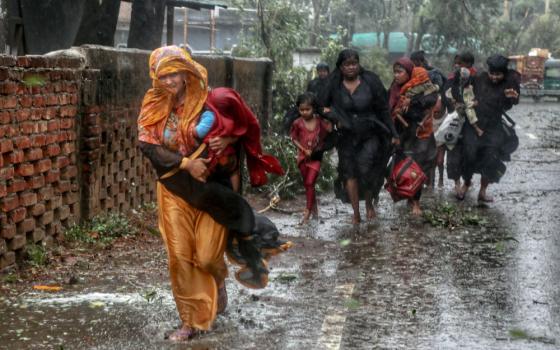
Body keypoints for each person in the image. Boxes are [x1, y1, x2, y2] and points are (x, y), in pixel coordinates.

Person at [137, 46, 290, 342]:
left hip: (211, 191)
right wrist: (185, 163)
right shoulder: (153, 104)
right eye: (163, 75)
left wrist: (229, 139)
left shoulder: (210, 103)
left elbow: (243, 129)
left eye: (174, 74)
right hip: (173, 188)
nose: (169, 81)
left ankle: (217, 281)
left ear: (187, 73)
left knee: (207, 258)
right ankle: (191, 321)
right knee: (180, 258)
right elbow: (147, 146)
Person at [321, 49, 399, 224]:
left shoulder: (371, 81)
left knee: (366, 170)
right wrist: (333, 117)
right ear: (340, 67)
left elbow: (383, 109)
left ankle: (369, 203)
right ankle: (356, 214)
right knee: (349, 173)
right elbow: (320, 105)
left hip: (370, 132)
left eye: (354, 64)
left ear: (358, 64)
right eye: (346, 65)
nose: (350, 67)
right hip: (346, 136)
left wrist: (393, 133)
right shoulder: (333, 84)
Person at [458, 54, 520, 202]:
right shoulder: (479, 78)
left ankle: (483, 191)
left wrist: (510, 97)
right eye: (492, 73)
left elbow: (511, 104)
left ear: (504, 73)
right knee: (469, 154)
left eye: (498, 75)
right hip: (474, 124)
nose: (494, 77)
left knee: (491, 157)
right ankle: (466, 183)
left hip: (493, 126)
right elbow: (465, 91)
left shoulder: (510, 83)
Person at [389, 57, 439, 215]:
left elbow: (431, 99)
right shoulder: (394, 88)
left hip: (420, 132)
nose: (397, 75)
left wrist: (412, 101)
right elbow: (388, 107)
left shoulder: (421, 82)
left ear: (409, 72)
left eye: (400, 72)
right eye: (395, 72)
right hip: (402, 133)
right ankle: (407, 195)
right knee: (403, 166)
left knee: (418, 166)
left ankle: (416, 202)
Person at [290, 92, 332, 224]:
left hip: (316, 157)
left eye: (307, 109)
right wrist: (303, 149)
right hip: (302, 157)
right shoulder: (297, 123)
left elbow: (329, 131)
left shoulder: (320, 121)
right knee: (309, 185)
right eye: (301, 110)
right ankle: (315, 210)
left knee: (309, 182)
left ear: (313, 108)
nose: (304, 112)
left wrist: (330, 116)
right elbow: (293, 138)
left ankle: (307, 212)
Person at [442, 51, 477, 196]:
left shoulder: (476, 79)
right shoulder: (452, 79)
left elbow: (480, 98)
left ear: (468, 65)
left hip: (470, 124)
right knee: (452, 152)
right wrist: (453, 104)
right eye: (456, 64)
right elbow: (445, 95)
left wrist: (473, 104)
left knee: (469, 154)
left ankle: (467, 182)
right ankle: (456, 183)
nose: (458, 66)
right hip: (454, 121)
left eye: (460, 64)